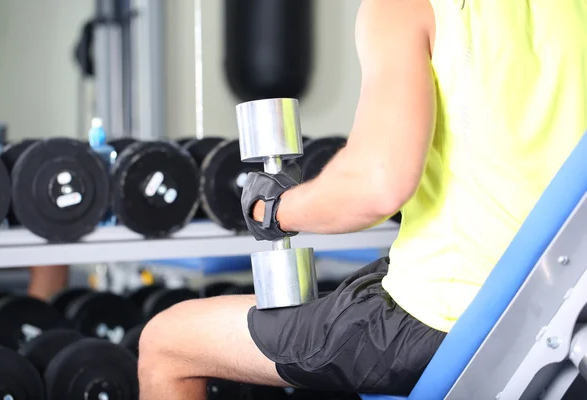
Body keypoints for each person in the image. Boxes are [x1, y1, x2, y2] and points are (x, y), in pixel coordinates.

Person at [137, 0, 587, 398]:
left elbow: (377, 186)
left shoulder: (405, 7)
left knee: (166, 341)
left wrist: (273, 209)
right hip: (565, 297)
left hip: (446, 319)